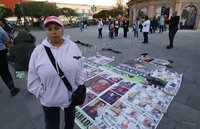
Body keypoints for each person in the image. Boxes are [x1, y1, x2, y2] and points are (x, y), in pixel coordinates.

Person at [27, 16, 86, 129]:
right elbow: (32, 76)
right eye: (49, 29)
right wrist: (43, 93)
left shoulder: (73, 46)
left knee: (70, 120)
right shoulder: (38, 51)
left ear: (62, 30)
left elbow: (81, 67)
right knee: (51, 125)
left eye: (57, 28)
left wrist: (78, 84)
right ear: (45, 31)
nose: (53, 32)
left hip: (71, 95)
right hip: (49, 100)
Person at [0, 20, 20, 97]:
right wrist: (12, 51)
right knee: (4, 71)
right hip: (1, 52)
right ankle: (12, 89)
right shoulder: (0, 29)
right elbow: (7, 41)